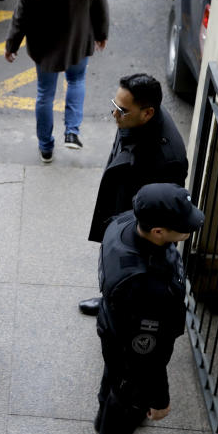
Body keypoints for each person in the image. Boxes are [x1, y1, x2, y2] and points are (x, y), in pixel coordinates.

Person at [95, 183, 204, 434]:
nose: (190, 228)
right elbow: (147, 354)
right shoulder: (146, 287)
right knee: (123, 400)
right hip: (129, 344)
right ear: (158, 232)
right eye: (184, 225)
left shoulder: (126, 221)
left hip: (114, 326)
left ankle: (104, 414)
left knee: (113, 377)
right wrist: (159, 399)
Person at [79, 74, 189, 315]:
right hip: (123, 204)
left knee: (130, 266)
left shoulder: (167, 157)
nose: (114, 114)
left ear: (147, 113)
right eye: (115, 106)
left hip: (139, 223)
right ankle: (111, 297)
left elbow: (166, 209)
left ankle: (117, 307)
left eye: (123, 110)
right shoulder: (133, 121)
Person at [5, 0, 109, 163]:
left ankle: (46, 147)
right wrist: (101, 33)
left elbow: (21, 18)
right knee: (76, 81)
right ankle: (72, 133)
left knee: (44, 94)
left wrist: (12, 45)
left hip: (46, 49)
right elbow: (100, 6)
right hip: (78, 43)